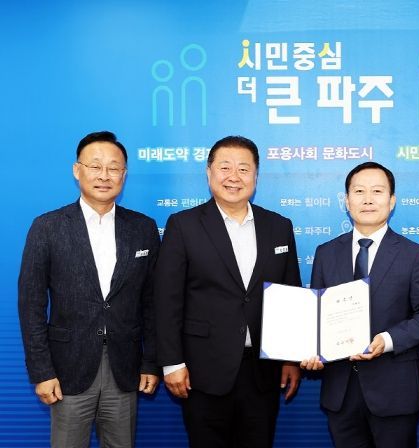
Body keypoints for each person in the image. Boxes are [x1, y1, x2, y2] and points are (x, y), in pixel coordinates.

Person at [154, 135, 302, 447]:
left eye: (244, 169)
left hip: (263, 371)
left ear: (256, 176)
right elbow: (167, 300)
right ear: (209, 173)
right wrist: (172, 363)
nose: (234, 176)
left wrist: (291, 359)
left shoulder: (279, 226)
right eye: (225, 167)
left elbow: (290, 296)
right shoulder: (183, 225)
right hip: (202, 371)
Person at [18, 131, 160, 447]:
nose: (104, 175)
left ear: (124, 174)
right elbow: (31, 305)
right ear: (77, 170)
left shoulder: (143, 228)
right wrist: (42, 371)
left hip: (125, 367)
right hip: (67, 368)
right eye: (95, 166)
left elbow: (151, 302)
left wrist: (151, 361)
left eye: (113, 168)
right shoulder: (48, 227)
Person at [301, 162, 419, 447]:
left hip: (395, 389)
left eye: (377, 191)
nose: (368, 199)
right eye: (359, 191)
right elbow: (315, 315)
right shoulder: (326, 253)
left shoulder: (414, 254)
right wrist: (308, 350)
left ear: (392, 201)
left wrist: (387, 340)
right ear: (346, 201)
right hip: (340, 390)